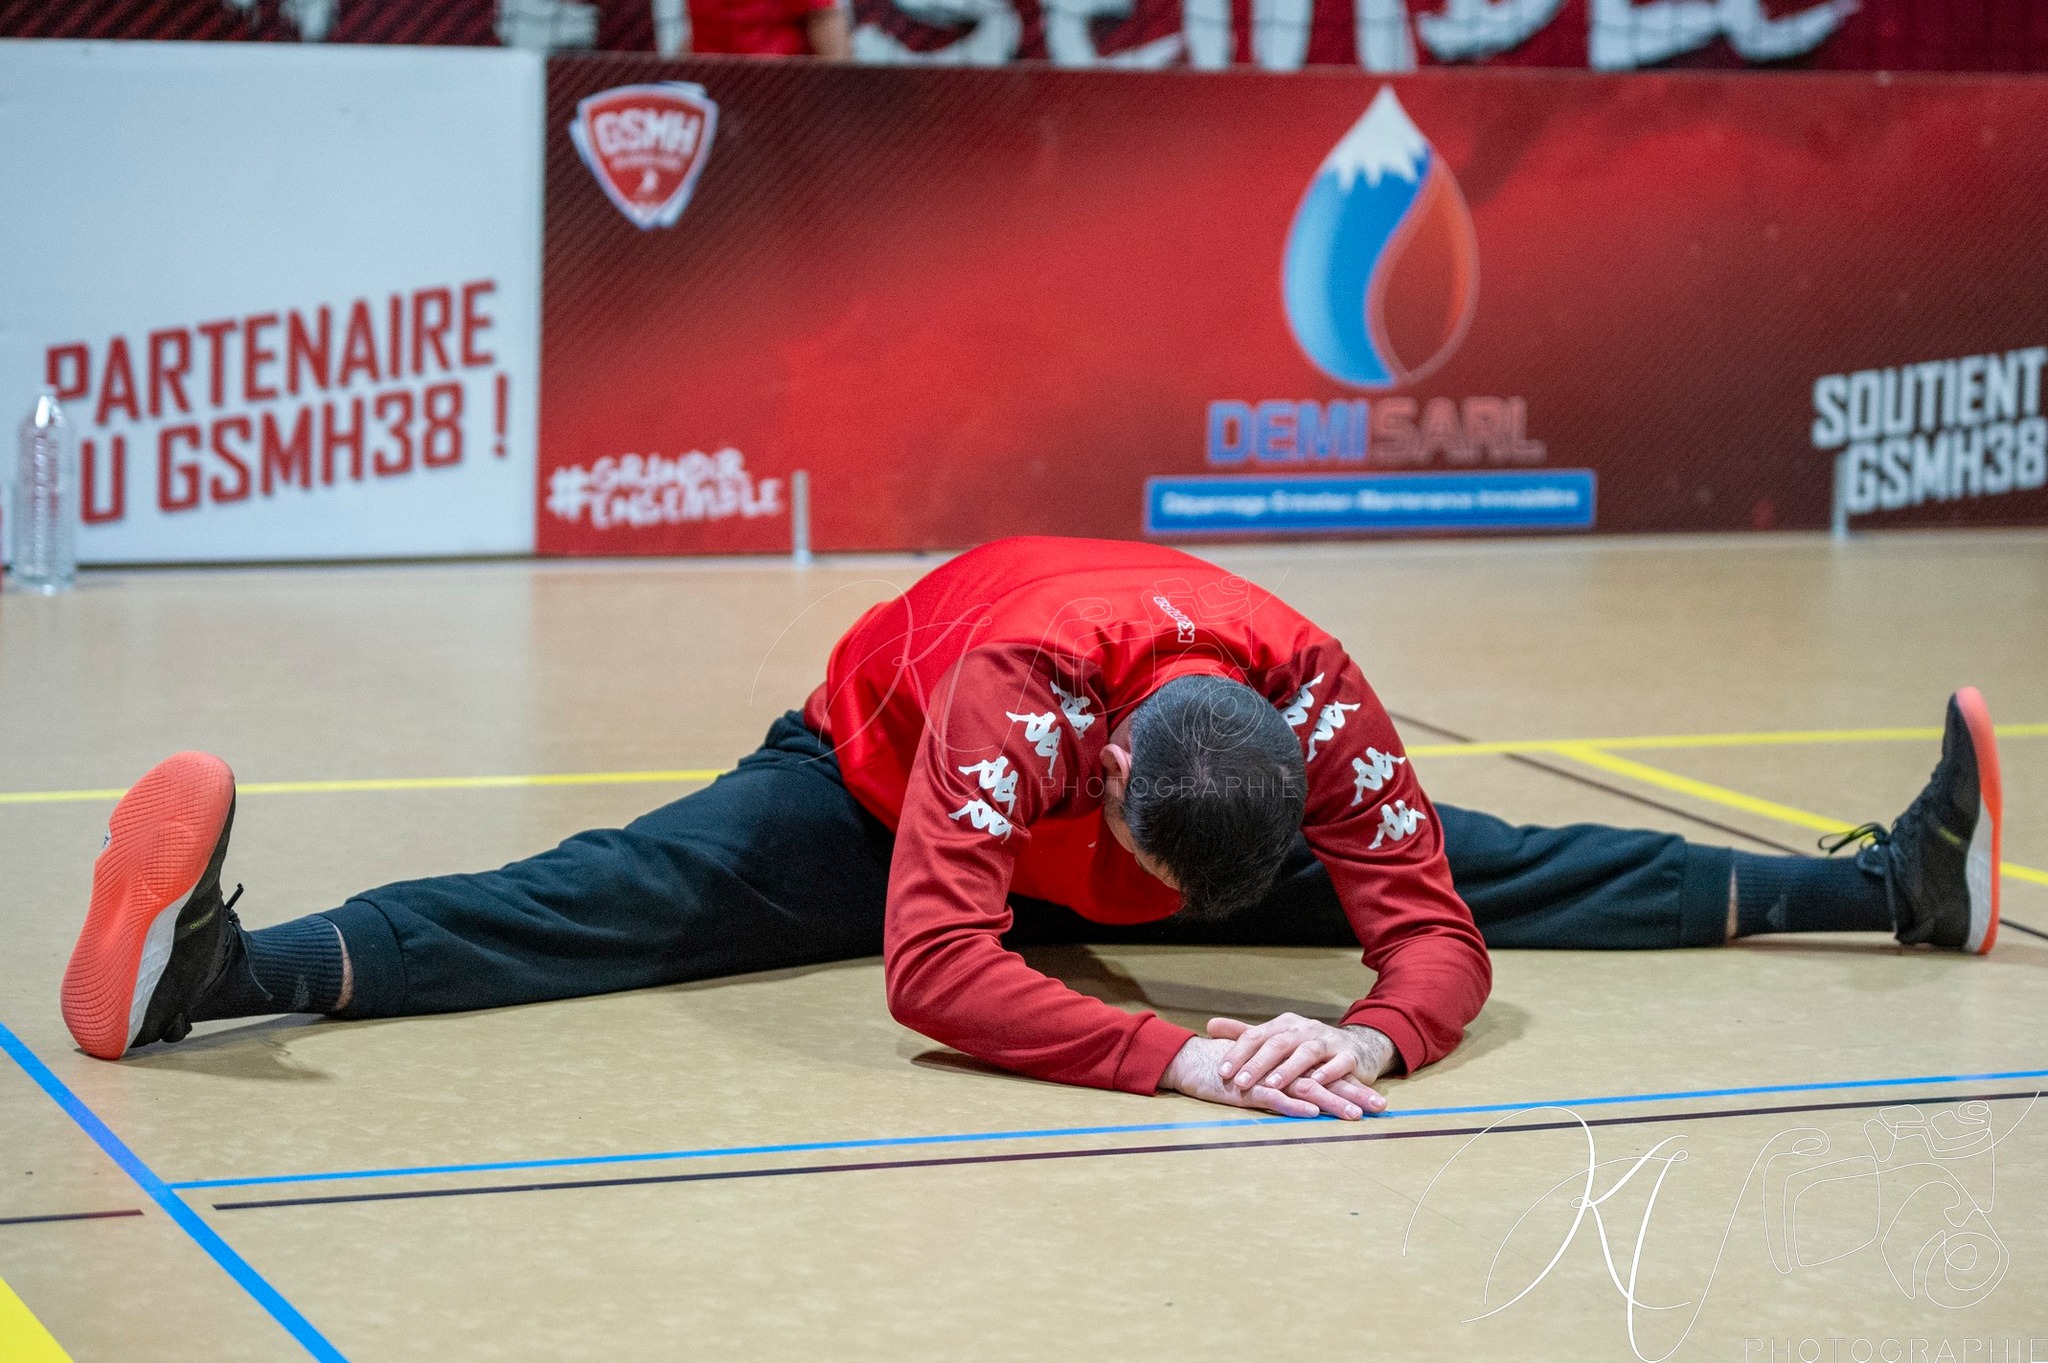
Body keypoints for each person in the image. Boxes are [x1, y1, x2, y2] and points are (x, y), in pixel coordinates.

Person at [58, 537, 2002, 1121]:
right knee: (610, 897)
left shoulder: (1317, 694)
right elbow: (935, 967)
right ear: (1111, 793)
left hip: (1151, 789)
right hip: (873, 786)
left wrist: (1375, 1023)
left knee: (1521, 859)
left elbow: (1434, 932)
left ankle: (1896, 886)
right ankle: (217, 974)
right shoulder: (1017, 701)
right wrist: (1186, 1053)